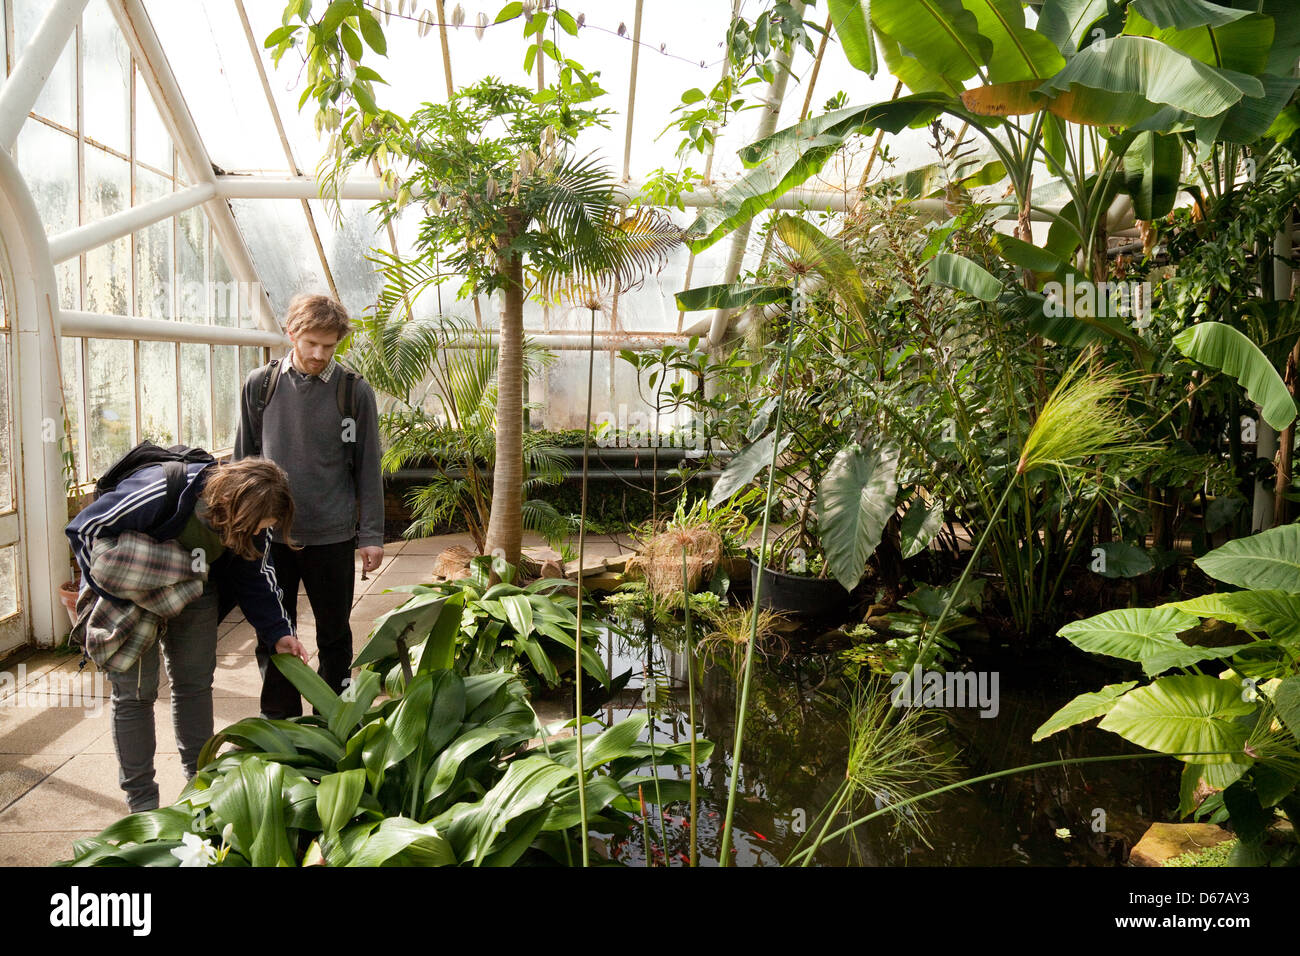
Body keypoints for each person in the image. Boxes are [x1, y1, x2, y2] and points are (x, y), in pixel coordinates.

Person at [66, 457, 309, 813]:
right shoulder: (161, 490)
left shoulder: (251, 523)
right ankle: (143, 806)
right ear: (236, 506)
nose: (261, 531)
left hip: (196, 587)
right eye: (260, 524)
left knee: (193, 684)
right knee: (135, 694)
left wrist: (278, 633)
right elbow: (83, 530)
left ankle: (201, 787)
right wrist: (117, 593)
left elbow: (254, 574)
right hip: (132, 594)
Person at [235, 293, 384, 719]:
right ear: (291, 334)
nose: (320, 354)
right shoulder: (260, 386)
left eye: (329, 346)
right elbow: (243, 462)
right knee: (275, 632)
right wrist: (240, 531)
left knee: (334, 635)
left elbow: (368, 467)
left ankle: (333, 719)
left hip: (332, 536)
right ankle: (280, 722)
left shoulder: (354, 393)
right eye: (311, 344)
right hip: (270, 538)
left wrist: (371, 535)